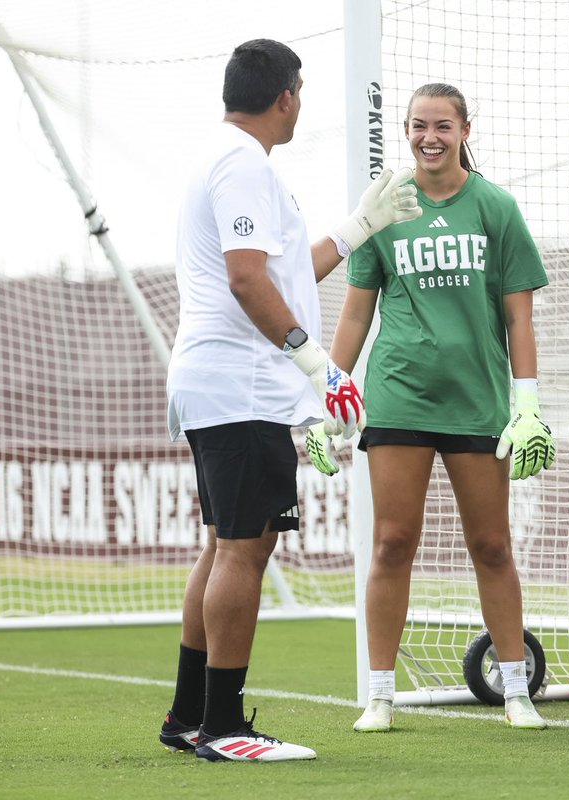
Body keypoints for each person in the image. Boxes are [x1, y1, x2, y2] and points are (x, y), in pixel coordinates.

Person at [158, 38, 421, 762]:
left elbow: (281, 274)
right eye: (299, 92)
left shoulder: (229, 159)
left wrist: (356, 228)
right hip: (239, 385)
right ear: (285, 96)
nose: (300, 103)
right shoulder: (241, 165)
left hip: (221, 381)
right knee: (245, 547)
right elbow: (248, 281)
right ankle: (223, 726)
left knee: (224, 545)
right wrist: (313, 360)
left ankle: (189, 715)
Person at [321, 82, 554, 733]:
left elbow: (519, 316)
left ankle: (515, 690)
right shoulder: (384, 208)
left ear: (464, 130)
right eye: (418, 126)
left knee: (491, 546)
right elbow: (356, 310)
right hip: (398, 398)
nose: (429, 137)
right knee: (392, 543)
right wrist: (332, 391)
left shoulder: (495, 206)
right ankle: (379, 695)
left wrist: (526, 401)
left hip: (477, 404)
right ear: (405, 130)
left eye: (442, 126)